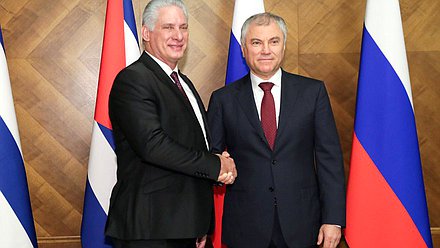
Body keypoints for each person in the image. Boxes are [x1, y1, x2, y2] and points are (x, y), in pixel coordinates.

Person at [207, 12, 346, 248]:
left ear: (283, 46)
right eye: (256, 42)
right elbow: (211, 158)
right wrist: (219, 165)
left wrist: (333, 219)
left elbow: (329, 160)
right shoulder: (223, 100)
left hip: (303, 225)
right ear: (243, 49)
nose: (265, 50)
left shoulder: (312, 93)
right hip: (245, 227)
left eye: (273, 41)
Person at [105, 1, 236, 247]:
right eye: (168, 27)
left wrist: (200, 222)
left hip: (182, 225)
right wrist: (215, 165)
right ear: (146, 33)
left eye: (183, 27)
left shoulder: (183, 82)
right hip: (151, 227)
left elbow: (195, 145)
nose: (178, 36)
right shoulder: (133, 79)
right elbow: (152, 145)